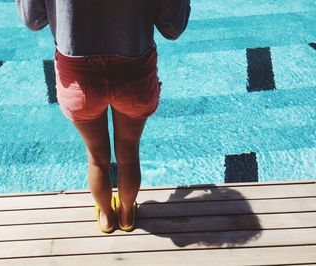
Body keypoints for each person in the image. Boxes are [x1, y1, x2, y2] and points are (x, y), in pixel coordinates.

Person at [16, 0, 191, 233]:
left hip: (78, 74)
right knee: (128, 154)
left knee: (97, 159)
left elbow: (33, 19)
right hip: (134, 69)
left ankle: (107, 216)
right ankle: (127, 214)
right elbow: (173, 27)